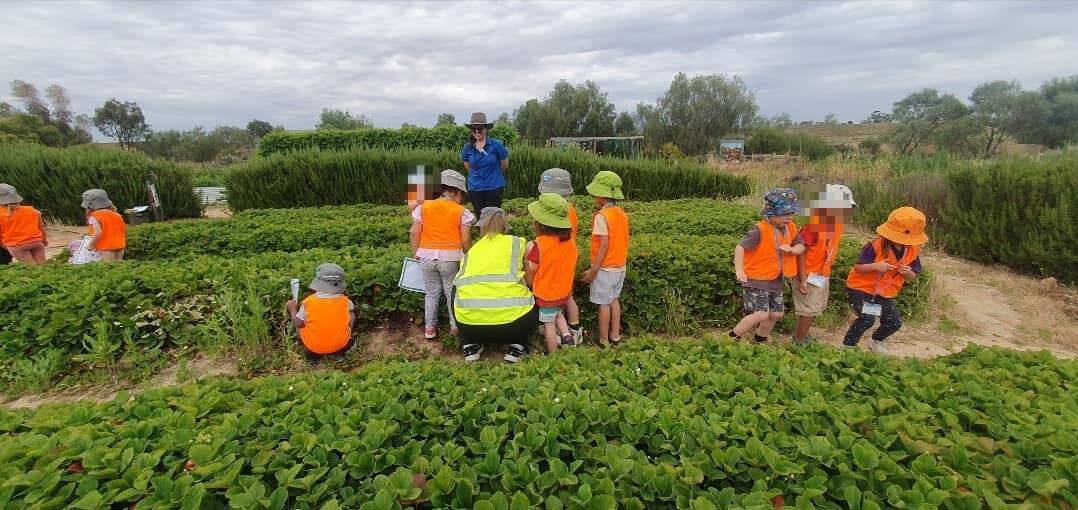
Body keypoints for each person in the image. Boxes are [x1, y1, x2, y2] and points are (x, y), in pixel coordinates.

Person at [453, 207, 538, 363]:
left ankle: (469, 343)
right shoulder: (517, 243)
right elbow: (530, 274)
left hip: (470, 325)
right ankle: (518, 344)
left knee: (456, 286)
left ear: (480, 227)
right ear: (505, 225)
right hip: (514, 324)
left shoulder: (472, 250)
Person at [843, 206, 927, 353]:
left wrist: (907, 273)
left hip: (885, 293)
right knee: (867, 319)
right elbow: (858, 268)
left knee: (894, 322)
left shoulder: (913, 250)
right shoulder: (875, 246)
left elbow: (913, 276)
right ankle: (847, 347)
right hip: (860, 289)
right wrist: (876, 266)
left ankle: (876, 342)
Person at [730, 188, 805, 344]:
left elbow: (801, 246)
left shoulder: (791, 227)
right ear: (771, 213)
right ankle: (732, 337)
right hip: (756, 278)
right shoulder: (759, 230)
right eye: (785, 214)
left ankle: (759, 339)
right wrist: (739, 269)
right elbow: (740, 248)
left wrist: (792, 250)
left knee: (776, 314)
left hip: (775, 278)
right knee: (761, 314)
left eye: (792, 213)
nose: (789, 217)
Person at [410, 169, 474, 340]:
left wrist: (416, 252)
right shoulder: (462, 212)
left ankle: (429, 328)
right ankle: (454, 327)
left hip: (426, 256)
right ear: (458, 192)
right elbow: (466, 239)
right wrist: (468, 254)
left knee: (431, 292)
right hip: (450, 257)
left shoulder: (424, 207)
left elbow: (415, 233)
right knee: (450, 292)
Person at [792, 184, 857, 345]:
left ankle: (802, 336)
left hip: (820, 275)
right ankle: (799, 342)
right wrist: (802, 279)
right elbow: (801, 252)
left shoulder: (835, 224)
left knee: (813, 308)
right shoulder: (812, 226)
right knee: (807, 311)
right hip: (806, 275)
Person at [524, 193, 579, 353]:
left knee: (548, 324)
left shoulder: (538, 245)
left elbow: (531, 269)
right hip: (563, 291)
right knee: (558, 314)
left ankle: (553, 353)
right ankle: (568, 336)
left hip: (546, 294)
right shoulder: (570, 243)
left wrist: (527, 258)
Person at [581, 171, 630, 346]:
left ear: (601, 196)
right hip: (620, 266)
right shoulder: (621, 214)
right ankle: (615, 336)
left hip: (605, 268)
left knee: (604, 305)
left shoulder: (602, 216)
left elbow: (603, 245)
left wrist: (593, 271)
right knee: (614, 301)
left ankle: (603, 340)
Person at [537, 168, 582, 344]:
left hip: (555, 257)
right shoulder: (569, 208)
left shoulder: (555, 210)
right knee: (567, 294)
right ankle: (574, 327)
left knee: (556, 297)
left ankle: (559, 329)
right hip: (568, 255)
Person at [286, 263, 356, 364]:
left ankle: (313, 355)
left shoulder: (308, 302)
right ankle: (338, 351)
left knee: (301, 321)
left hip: (313, 345)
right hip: (340, 343)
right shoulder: (345, 301)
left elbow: (298, 323)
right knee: (351, 314)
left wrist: (292, 309)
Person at [460, 112, 509, 213]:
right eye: (474, 129)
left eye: (480, 129)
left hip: (494, 187)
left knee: (494, 217)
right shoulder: (467, 148)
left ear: (486, 129)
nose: (477, 131)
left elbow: (504, 165)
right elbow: (468, 166)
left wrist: (493, 174)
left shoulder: (496, 145)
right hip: (475, 188)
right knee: (480, 216)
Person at [0, 183, 48, 266]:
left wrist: (3, 244)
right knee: (43, 266)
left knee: (31, 267)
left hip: (17, 246)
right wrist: (44, 239)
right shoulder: (32, 210)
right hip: (36, 242)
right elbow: (41, 227)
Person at [81, 189, 127, 262]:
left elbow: (98, 233)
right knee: (119, 268)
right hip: (120, 246)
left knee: (108, 269)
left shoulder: (94, 217)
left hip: (106, 247)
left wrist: (91, 245)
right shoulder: (116, 215)